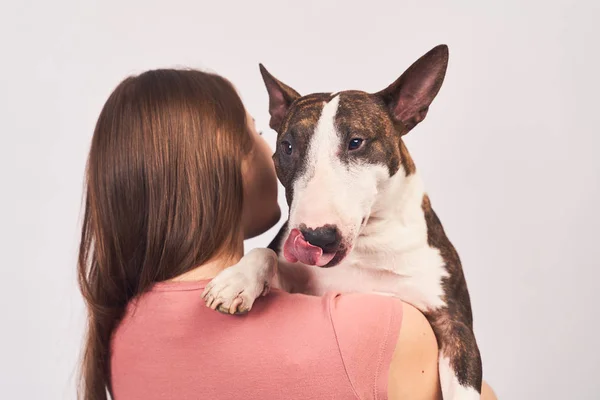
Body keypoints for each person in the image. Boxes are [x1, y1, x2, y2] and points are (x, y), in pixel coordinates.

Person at [78, 69, 497, 400]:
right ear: (227, 168)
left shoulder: (121, 335)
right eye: (273, 140)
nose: (274, 149)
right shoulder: (382, 330)